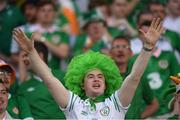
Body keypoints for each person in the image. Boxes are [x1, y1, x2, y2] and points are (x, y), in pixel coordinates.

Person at [13, 18, 164, 119]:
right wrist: (31, 52)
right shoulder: (73, 104)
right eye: (90, 77)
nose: (96, 79)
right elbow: (49, 79)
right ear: (82, 85)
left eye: (100, 77)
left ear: (106, 84)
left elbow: (134, 76)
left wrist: (148, 47)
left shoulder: (117, 102)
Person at [110, 36, 159, 119]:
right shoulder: (104, 77)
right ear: (110, 52)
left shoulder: (138, 77)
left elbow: (154, 104)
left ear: (131, 53)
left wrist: (139, 117)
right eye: (117, 47)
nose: (120, 50)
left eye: (125, 47)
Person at [17, 42, 65, 119]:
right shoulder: (23, 88)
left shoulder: (62, 76)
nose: (23, 59)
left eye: (26, 55)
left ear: (39, 56)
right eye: (22, 56)